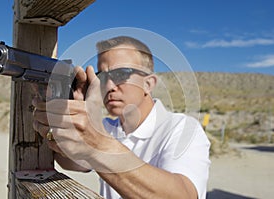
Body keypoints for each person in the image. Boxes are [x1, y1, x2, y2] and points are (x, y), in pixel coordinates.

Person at [32, 36, 211, 199]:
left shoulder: (182, 128)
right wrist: (62, 125)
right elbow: (72, 162)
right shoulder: (107, 127)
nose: (109, 86)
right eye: (103, 77)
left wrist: (98, 145)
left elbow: (184, 195)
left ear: (148, 84)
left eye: (121, 74)